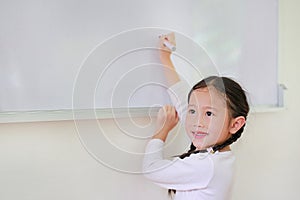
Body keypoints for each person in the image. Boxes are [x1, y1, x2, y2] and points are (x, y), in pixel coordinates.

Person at [143, 33, 249, 200]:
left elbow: (152, 169)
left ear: (235, 124)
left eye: (208, 114)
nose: (197, 122)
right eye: (193, 111)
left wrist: (162, 131)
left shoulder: (207, 165)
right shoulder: (219, 153)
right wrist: (165, 59)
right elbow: (185, 101)